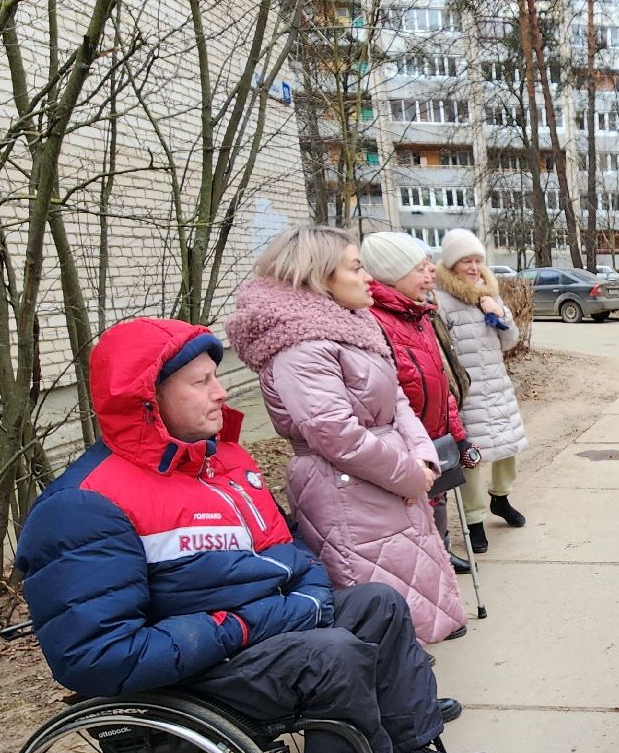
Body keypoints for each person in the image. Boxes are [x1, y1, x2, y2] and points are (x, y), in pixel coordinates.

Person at [14, 317, 494, 753]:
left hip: (255, 631)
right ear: (146, 400)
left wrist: (308, 598)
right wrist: (248, 624)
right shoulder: (86, 504)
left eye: (215, 377)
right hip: (191, 667)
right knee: (331, 652)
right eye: (200, 383)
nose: (221, 392)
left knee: (377, 603)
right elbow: (98, 654)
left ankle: (410, 750)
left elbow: (288, 551)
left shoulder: (224, 465)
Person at [224, 225, 468, 646]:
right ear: (322, 278)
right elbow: (334, 434)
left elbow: (396, 399)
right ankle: (398, 702)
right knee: (376, 603)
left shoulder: (353, 328)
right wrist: (409, 473)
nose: (368, 278)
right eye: (356, 268)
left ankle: (410, 693)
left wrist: (424, 457)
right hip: (348, 492)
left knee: (404, 596)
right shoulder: (300, 345)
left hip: (384, 481)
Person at [361, 231, 479, 575]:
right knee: (415, 510)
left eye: (429, 265)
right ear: (392, 274)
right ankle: (428, 563)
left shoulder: (421, 316)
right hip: (406, 440)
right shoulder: (377, 322)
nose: (430, 274)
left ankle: (441, 549)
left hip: (435, 432)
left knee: (438, 499)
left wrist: (457, 435)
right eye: (419, 268)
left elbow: (441, 383)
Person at [434, 228, 529, 554]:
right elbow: (440, 351)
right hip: (467, 393)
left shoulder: (489, 292)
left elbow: (510, 341)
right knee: (472, 459)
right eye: (466, 261)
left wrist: (500, 313)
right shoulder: (441, 300)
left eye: (477, 260)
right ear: (451, 264)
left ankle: (500, 499)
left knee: (507, 447)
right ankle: (474, 521)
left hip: (497, 385)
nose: (474, 267)